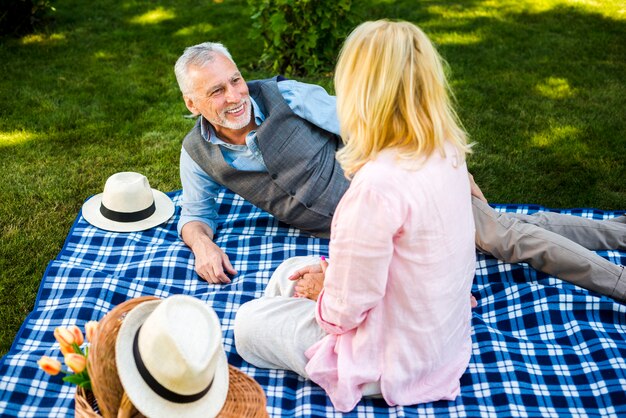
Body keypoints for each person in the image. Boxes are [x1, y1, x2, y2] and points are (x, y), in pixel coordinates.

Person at [173, 41, 626, 301]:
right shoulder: (197, 153)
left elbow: (378, 129)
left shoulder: (287, 96)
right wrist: (202, 246)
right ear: (192, 104)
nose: (235, 95)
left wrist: (447, 171)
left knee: (500, 238)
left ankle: (619, 283)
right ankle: (619, 232)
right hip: (360, 232)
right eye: (216, 91)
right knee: (513, 227)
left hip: (395, 193)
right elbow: (195, 214)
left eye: (234, 79)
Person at [234, 20, 477, 412]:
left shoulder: (375, 188)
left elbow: (343, 312)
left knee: (247, 324)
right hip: (439, 331)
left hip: (394, 359)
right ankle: (287, 313)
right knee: (292, 272)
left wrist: (326, 292)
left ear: (361, 93)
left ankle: (286, 329)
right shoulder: (445, 148)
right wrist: (329, 277)